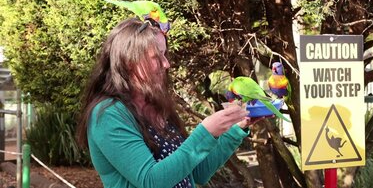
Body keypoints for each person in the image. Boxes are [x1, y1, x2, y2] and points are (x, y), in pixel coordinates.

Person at [76, 17, 255, 188]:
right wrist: (205, 132)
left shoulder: (155, 106)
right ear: (130, 62)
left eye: (165, 54)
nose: (166, 64)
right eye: (157, 57)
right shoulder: (108, 115)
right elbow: (151, 181)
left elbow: (198, 172)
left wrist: (236, 129)